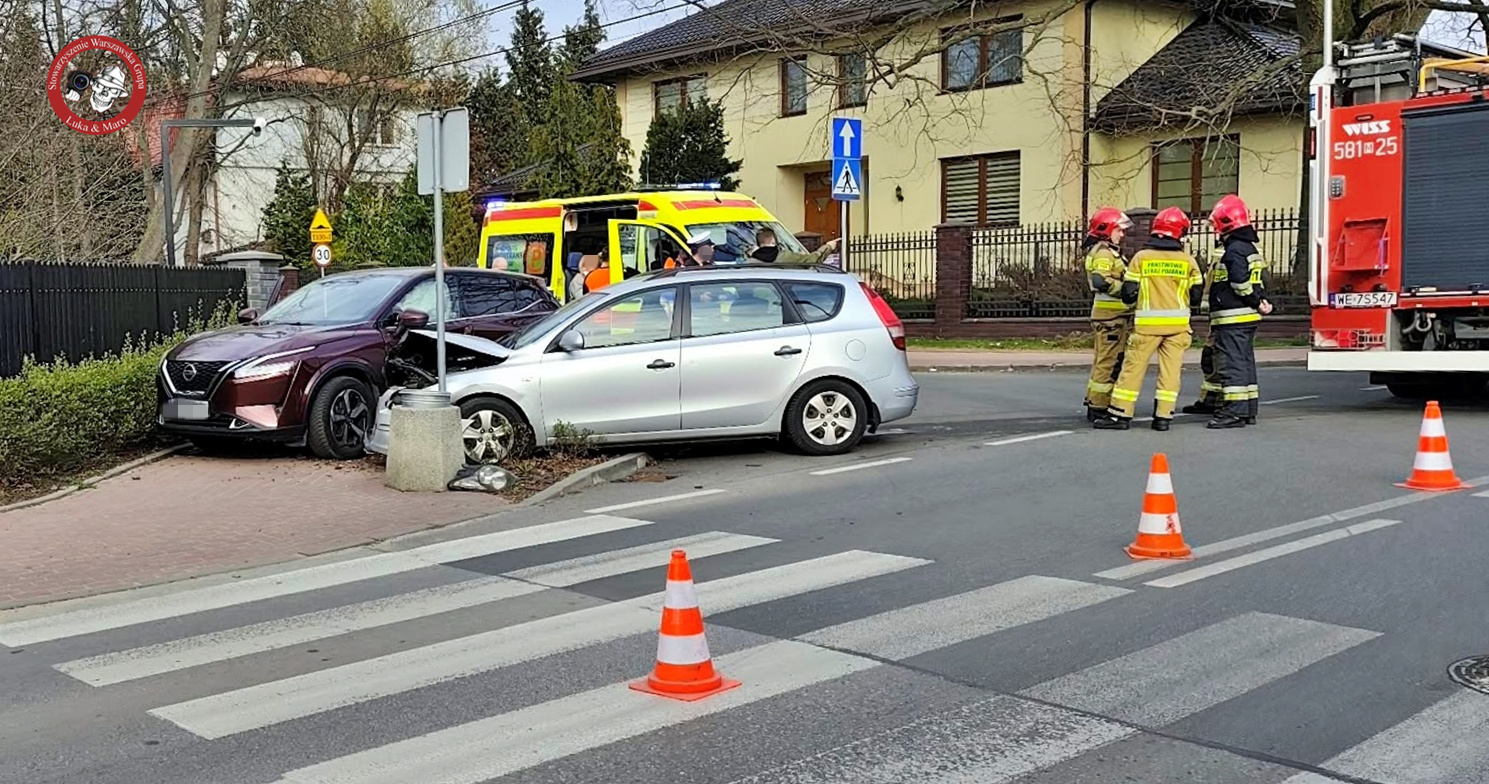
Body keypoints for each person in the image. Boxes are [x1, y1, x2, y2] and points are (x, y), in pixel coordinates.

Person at [1093, 207, 1204, 432]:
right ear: (1180, 233)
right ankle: (1163, 417)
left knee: (1132, 370)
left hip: (1146, 328)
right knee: (1171, 373)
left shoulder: (1141, 258)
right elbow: (1196, 296)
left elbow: (1128, 293)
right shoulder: (1188, 261)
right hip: (1178, 328)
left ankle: (1120, 415)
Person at [1184, 194, 1273, 429]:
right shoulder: (1249, 248)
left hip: (1233, 317)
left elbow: (1240, 283)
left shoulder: (1233, 250)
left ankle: (1232, 412)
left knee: (1231, 364)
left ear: (1226, 224)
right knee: (1244, 363)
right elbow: (1260, 280)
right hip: (1246, 317)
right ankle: (1247, 410)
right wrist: (1262, 300)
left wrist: (1255, 300)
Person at [1081, 207, 1134, 421]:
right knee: (1108, 361)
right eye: (1119, 230)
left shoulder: (1107, 251)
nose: (1122, 234)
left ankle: (1095, 400)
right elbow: (1100, 281)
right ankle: (1099, 406)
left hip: (1111, 317)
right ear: (1107, 230)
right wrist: (1126, 290)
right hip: (1110, 318)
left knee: (1104, 359)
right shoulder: (1104, 252)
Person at [748, 228, 839, 264]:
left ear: (758, 242)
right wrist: (828, 246)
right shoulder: (786, 257)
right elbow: (812, 260)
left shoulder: (749, 263)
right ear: (774, 240)